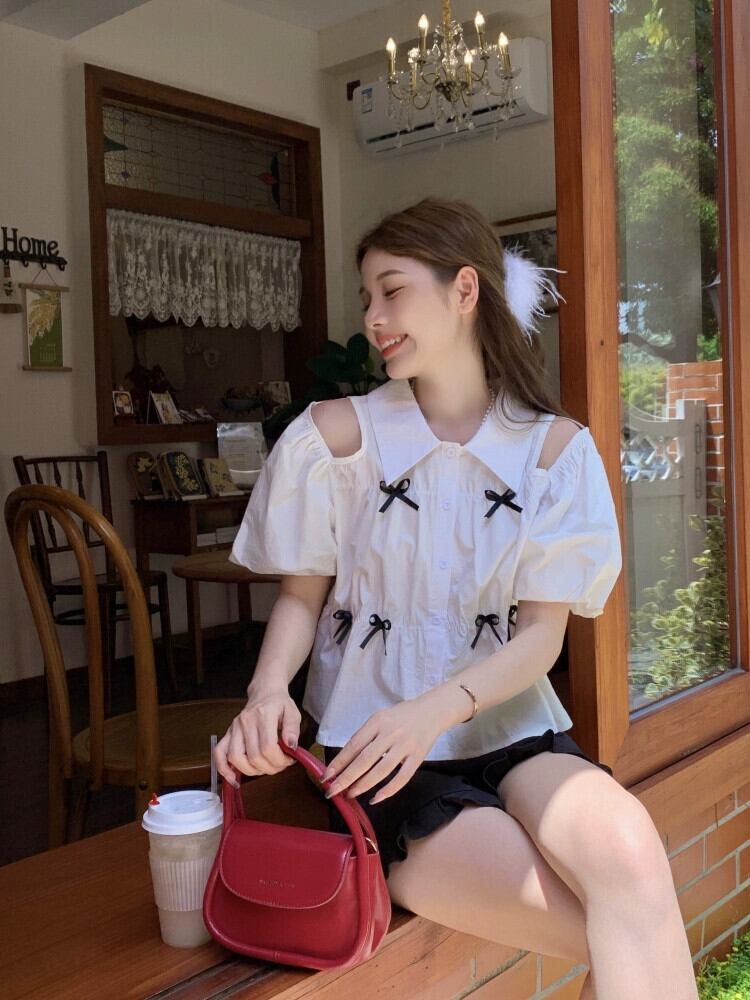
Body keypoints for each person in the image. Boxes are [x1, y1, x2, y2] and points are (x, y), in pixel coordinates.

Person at [215, 198, 698, 1000]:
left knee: (631, 856)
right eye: (367, 298)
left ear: (464, 289)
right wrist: (268, 692)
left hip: (514, 731)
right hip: (377, 756)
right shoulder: (332, 439)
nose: (373, 318)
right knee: (623, 930)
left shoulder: (554, 452)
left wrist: (436, 709)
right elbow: (301, 599)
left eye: (392, 291)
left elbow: (543, 638)